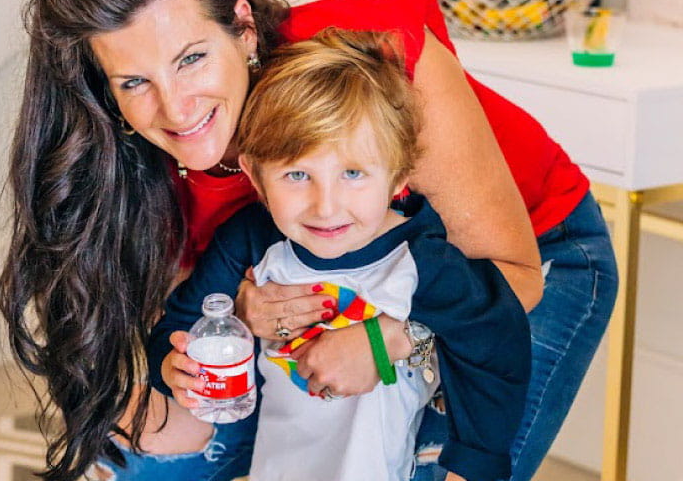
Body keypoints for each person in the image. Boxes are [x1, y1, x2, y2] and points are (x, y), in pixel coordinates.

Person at [0, 0, 617, 481]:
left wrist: (390, 340)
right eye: (135, 82)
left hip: (527, 261)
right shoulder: (135, 160)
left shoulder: (372, 61)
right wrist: (231, 323)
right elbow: (182, 382)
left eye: (191, 59)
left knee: (418, 463)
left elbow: (511, 276)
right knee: (134, 462)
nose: (175, 109)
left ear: (242, 29)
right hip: (336, 292)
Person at [152, 28, 531, 481]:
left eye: (353, 173)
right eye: (296, 175)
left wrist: (474, 463)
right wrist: (169, 365)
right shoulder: (251, 241)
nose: (325, 205)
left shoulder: (422, 262)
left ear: (397, 177)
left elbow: (496, 338)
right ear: (254, 174)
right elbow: (181, 323)